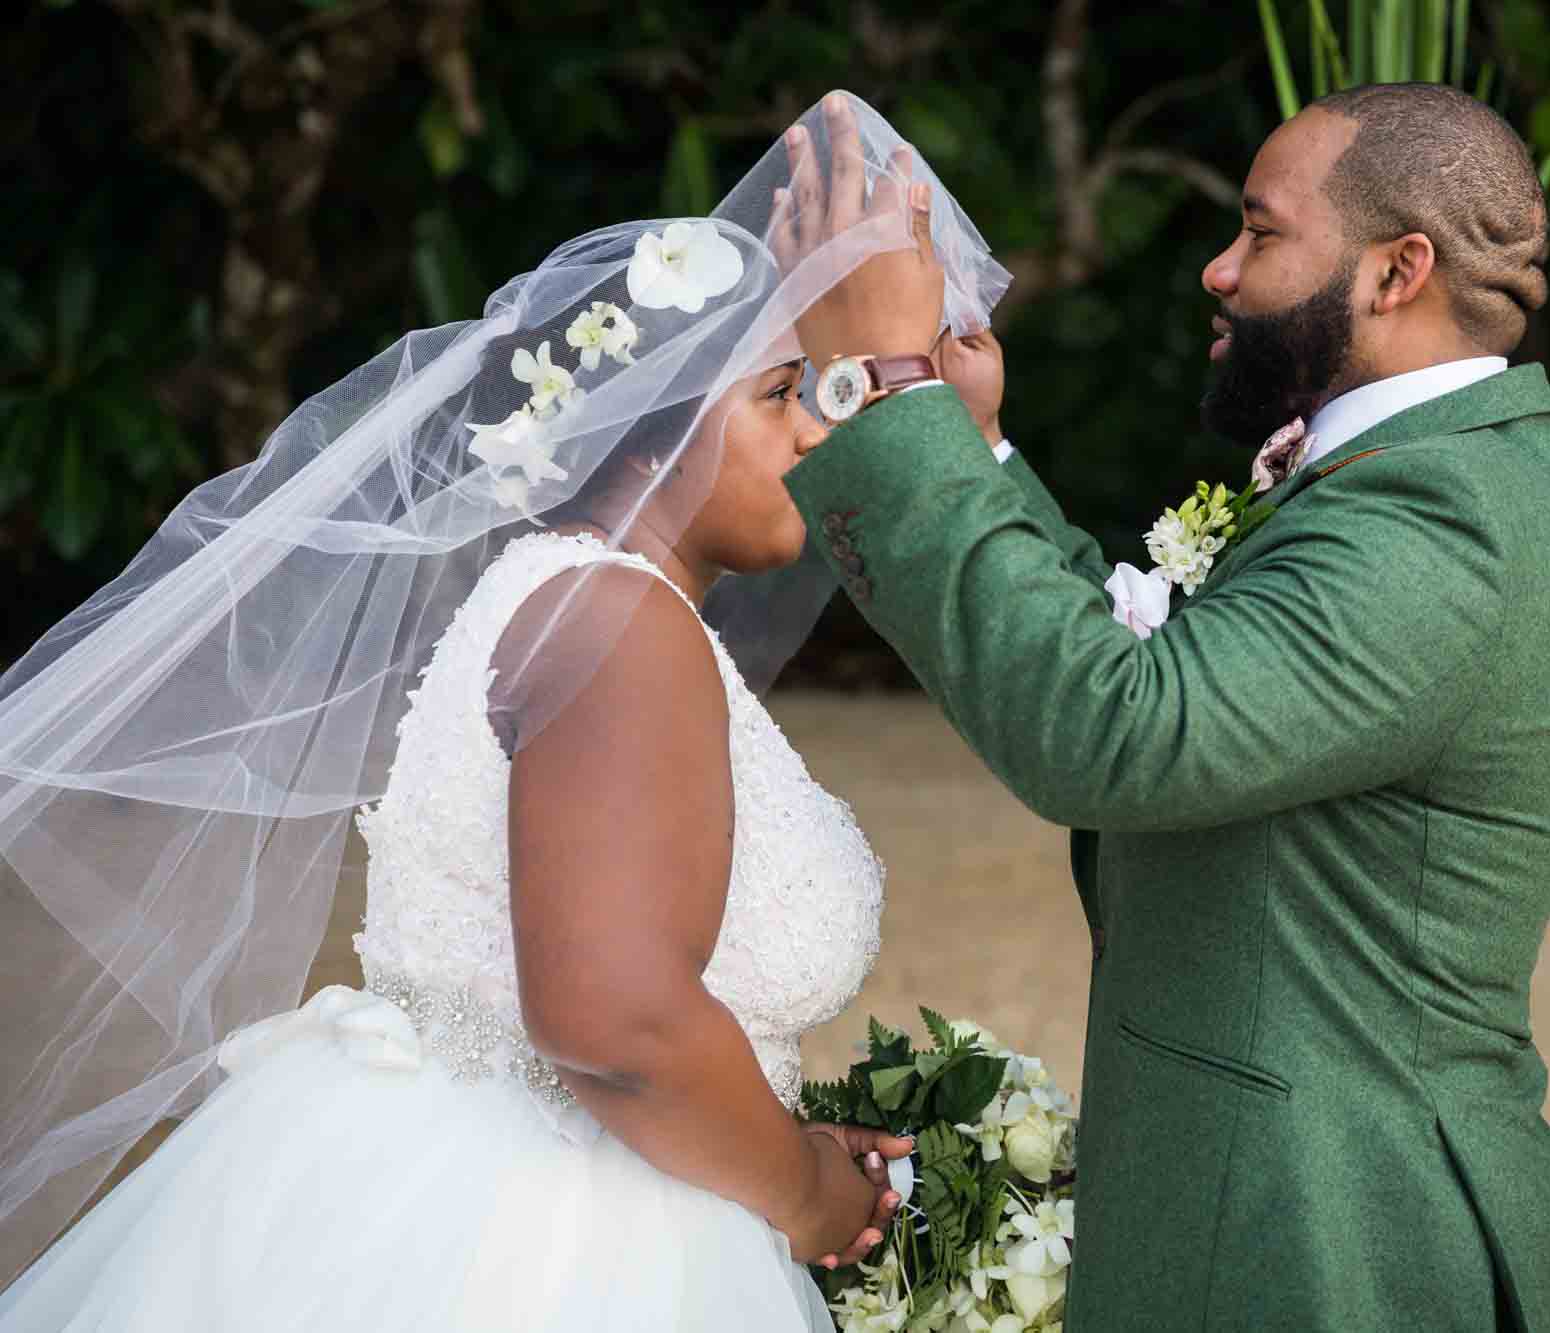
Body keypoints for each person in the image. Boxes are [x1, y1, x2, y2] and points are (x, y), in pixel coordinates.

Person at [0, 93, 1008, 1328]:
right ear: (647, 433)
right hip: (550, 1236)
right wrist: (803, 1191)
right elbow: (613, 1017)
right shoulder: (618, 620)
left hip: (420, 1167)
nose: (813, 431)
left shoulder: (566, 599)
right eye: (779, 394)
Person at [779, 84, 1550, 1330]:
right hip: (1273, 1203)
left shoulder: (1447, 523)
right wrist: (974, 451)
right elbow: (1171, 683)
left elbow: (1116, 733)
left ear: (1396, 271)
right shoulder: (1418, 472)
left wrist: (889, 392)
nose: (1217, 271)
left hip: (1335, 1237)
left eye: (1261, 233)